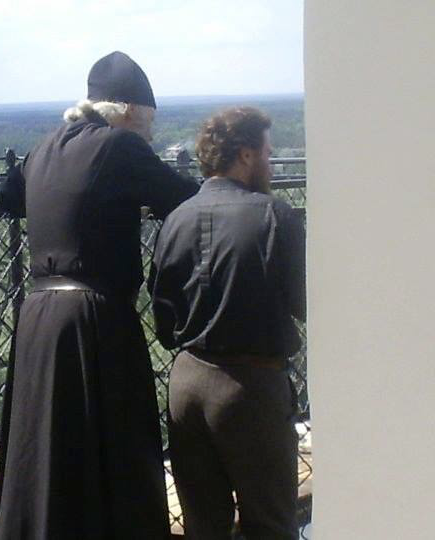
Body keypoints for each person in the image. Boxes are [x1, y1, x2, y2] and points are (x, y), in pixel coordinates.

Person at [0, 51, 200, 540]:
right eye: (149, 123)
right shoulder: (120, 147)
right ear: (129, 111)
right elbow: (183, 196)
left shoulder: (43, 147)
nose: (150, 135)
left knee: (45, 448)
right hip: (94, 318)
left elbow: (6, 199)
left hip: (39, 316)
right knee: (113, 450)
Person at [148, 106, 306, 539]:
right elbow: (306, 302)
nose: (270, 163)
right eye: (267, 153)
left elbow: (163, 318)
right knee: (270, 524)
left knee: (203, 525)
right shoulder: (274, 215)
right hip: (251, 386)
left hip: (187, 385)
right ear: (246, 155)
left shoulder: (175, 219)